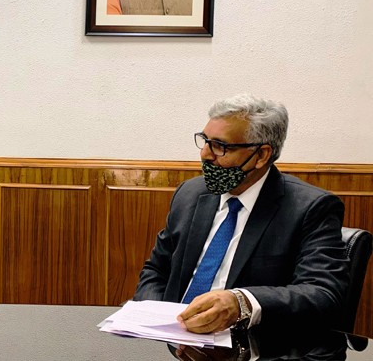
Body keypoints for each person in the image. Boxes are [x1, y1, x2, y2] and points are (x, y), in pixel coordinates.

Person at [134, 94, 349, 334]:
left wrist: (241, 303)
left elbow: (323, 293)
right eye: (205, 141)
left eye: (220, 146)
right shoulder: (190, 193)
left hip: (250, 345)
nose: (205, 154)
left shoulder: (310, 208)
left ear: (261, 155)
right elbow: (158, 270)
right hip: (174, 340)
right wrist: (150, 318)